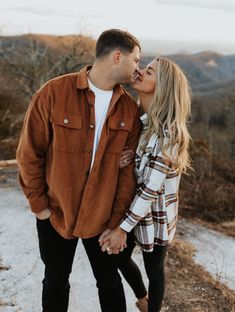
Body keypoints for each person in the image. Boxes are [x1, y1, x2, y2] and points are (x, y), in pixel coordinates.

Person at [16, 28, 146, 312]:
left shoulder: (129, 111)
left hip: (101, 218)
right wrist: (40, 206)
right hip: (56, 212)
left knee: (109, 282)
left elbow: (127, 176)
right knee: (55, 281)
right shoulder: (53, 92)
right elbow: (29, 153)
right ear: (116, 56)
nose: (138, 67)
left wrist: (115, 222)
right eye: (136, 60)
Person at [100, 56, 192, 312]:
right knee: (118, 258)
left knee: (154, 270)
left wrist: (121, 228)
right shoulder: (139, 121)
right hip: (134, 209)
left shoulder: (169, 134)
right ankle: (143, 299)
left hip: (157, 215)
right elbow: (137, 170)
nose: (140, 72)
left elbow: (150, 189)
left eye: (149, 72)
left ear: (162, 87)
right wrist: (124, 161)